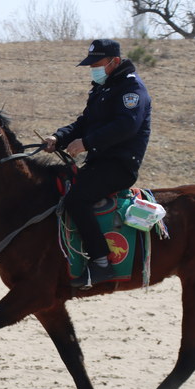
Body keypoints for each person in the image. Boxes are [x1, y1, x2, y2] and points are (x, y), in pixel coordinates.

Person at [44, 39, 152, 289]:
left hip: (120, 165)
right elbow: (83, 123)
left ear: (114, 62)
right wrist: (58, 137)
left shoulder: (131, 89)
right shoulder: (102, 89)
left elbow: (126, 126)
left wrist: (87, 143)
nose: (93, 68)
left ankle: (101, 262)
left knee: (76, 200)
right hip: (99, 162)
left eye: (97, 63)